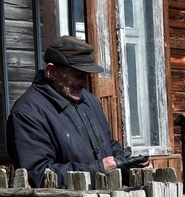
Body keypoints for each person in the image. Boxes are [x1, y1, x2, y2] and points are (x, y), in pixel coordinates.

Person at [7, 35, 149, 188]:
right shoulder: (27, 114)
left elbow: (108, 144)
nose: (85, 84)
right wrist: (100, 168)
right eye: (78, 75)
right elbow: (38, 174)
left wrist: (128, 162)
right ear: (52, 72)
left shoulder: (89, 101)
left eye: (88, 77)